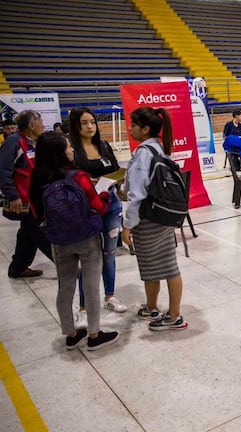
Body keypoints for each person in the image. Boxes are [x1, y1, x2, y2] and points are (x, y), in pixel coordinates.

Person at [29, 131, 119, 350]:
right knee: (90, 286)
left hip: (59, 240)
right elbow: (99, 206)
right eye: (68, 147)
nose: (71, 150)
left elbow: (36, 213)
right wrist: (105, 193)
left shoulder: (37, 180)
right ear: (60, 152)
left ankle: (70, 333)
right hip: (86, 238)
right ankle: (94, 334)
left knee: (65, 285)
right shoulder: (77, 177)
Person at [121, 107, 188, 331]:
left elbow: (137, 194)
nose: (129, 128)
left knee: (165, 266)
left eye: (133, 125)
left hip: (148, 219)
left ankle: (174, 316)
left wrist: (127, 225)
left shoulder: (143, 153)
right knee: (155, 265)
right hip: (162, 216)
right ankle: (151, 307)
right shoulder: (158, 148)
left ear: (145, 129)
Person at [68, 107, 127, 328]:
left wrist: (119, 187)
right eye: (84, 122)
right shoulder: (72, 150)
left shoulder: (103, 146)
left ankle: (110, 296)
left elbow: (115, 170)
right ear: (76, 125)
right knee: (88, 258)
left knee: (110, 252)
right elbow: (67, 178)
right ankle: (83, 308)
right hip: (86, 207)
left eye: (92, 122)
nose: (90, 126)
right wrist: (86, 182)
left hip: (111, 202)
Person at [0, 110, 54, 278]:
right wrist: (12, 196)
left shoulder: (32, 143)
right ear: (31, 125)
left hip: (35, 197)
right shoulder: (14, 142)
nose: (43, 125)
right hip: (22, 199)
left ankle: (18, 267)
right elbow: (3, 170)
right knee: (41, 233)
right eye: (40, 121)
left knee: (27, 233)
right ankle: (65, 265)